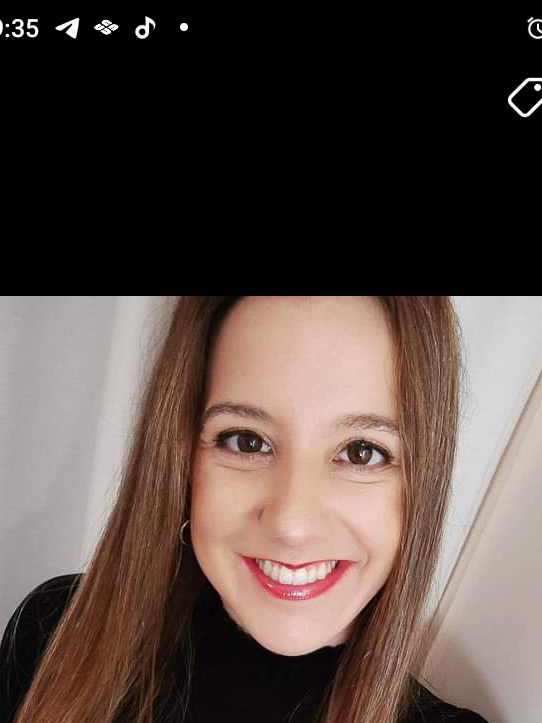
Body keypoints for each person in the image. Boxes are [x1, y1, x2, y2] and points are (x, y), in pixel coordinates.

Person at [0, 297, 491, 723]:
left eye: (361, 452)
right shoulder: (56, 634)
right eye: (247, 441)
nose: (291, 523)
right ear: (182, 461)